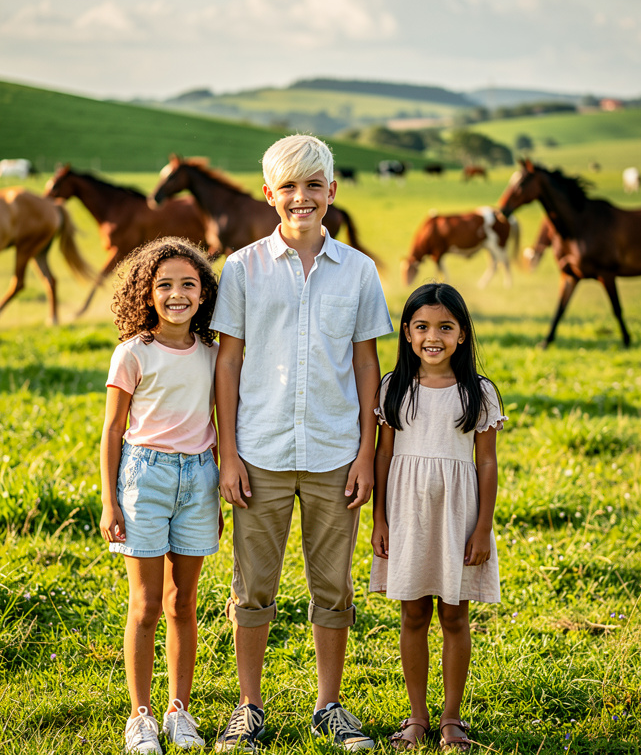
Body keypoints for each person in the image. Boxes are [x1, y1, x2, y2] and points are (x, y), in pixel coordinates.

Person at [210, 134, 393, 752]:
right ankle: (249, 706)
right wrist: (229, 454)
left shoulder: (360, 271)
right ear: (268, 195)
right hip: (258, 452)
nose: (301, 197)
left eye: (313, 185)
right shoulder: (241, 268)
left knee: (333, 587)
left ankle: (328, 704)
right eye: (288, 186)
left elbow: (367, 366)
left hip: (335, 453)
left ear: (332, 192)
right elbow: (228, 364)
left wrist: (366, 451)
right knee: (253, 585)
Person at [98, 237, 222, 755]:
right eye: (165, 285)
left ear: (203, 294)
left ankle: (179, 710)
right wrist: (109, 501)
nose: (177, 294)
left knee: (183, 602)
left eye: (188, 285)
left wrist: (219, 486)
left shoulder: (214, 354)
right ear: (146, 293)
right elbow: (111, 431)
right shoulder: (133, 352)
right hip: (143, 479)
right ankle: (141, 715)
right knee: (146, 604)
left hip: (199, 479)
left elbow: (219, 419)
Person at [369, 283, 505, 752]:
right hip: (406, 513)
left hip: (458, 515)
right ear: (407, 333)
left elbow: (486, 462)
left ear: (462, 335)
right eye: (423, 326)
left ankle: (451, 718)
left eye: (445, 327)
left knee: (453, 615)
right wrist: (379, 520)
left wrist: (483, 526)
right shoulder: (394, 389)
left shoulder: (478, 393)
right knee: (412, 614)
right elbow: (383, 458)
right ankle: (417, 716)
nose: (434, 337)